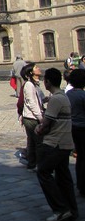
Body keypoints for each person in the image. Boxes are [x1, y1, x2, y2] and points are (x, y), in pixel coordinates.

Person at [35, 68, 78, 221]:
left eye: (44, 79)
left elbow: (46, 124)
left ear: (48, 82)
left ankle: (60, 208)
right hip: (65, 142)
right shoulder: (63, 97)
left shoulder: (56, 99)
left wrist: (38, 129)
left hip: (55, 143)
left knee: (43, 172)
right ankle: (72, 210)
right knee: (64, 177)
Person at [21, 63, 46, 170]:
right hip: (31, 118)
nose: (38, 68)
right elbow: (31, 102)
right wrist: (40, 117)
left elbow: (37, 100)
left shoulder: (35, 84)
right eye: (36, 67)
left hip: (33, 116)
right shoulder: (29, 85)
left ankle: (32, 163)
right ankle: (37, 163)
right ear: (31, 72)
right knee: (37, 142)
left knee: (32, 141)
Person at [66, 68, 85, 197]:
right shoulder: (82, 96)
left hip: (72, 127)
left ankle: (80, 183)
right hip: (83, 128)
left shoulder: (68, 94)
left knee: (80, 157)